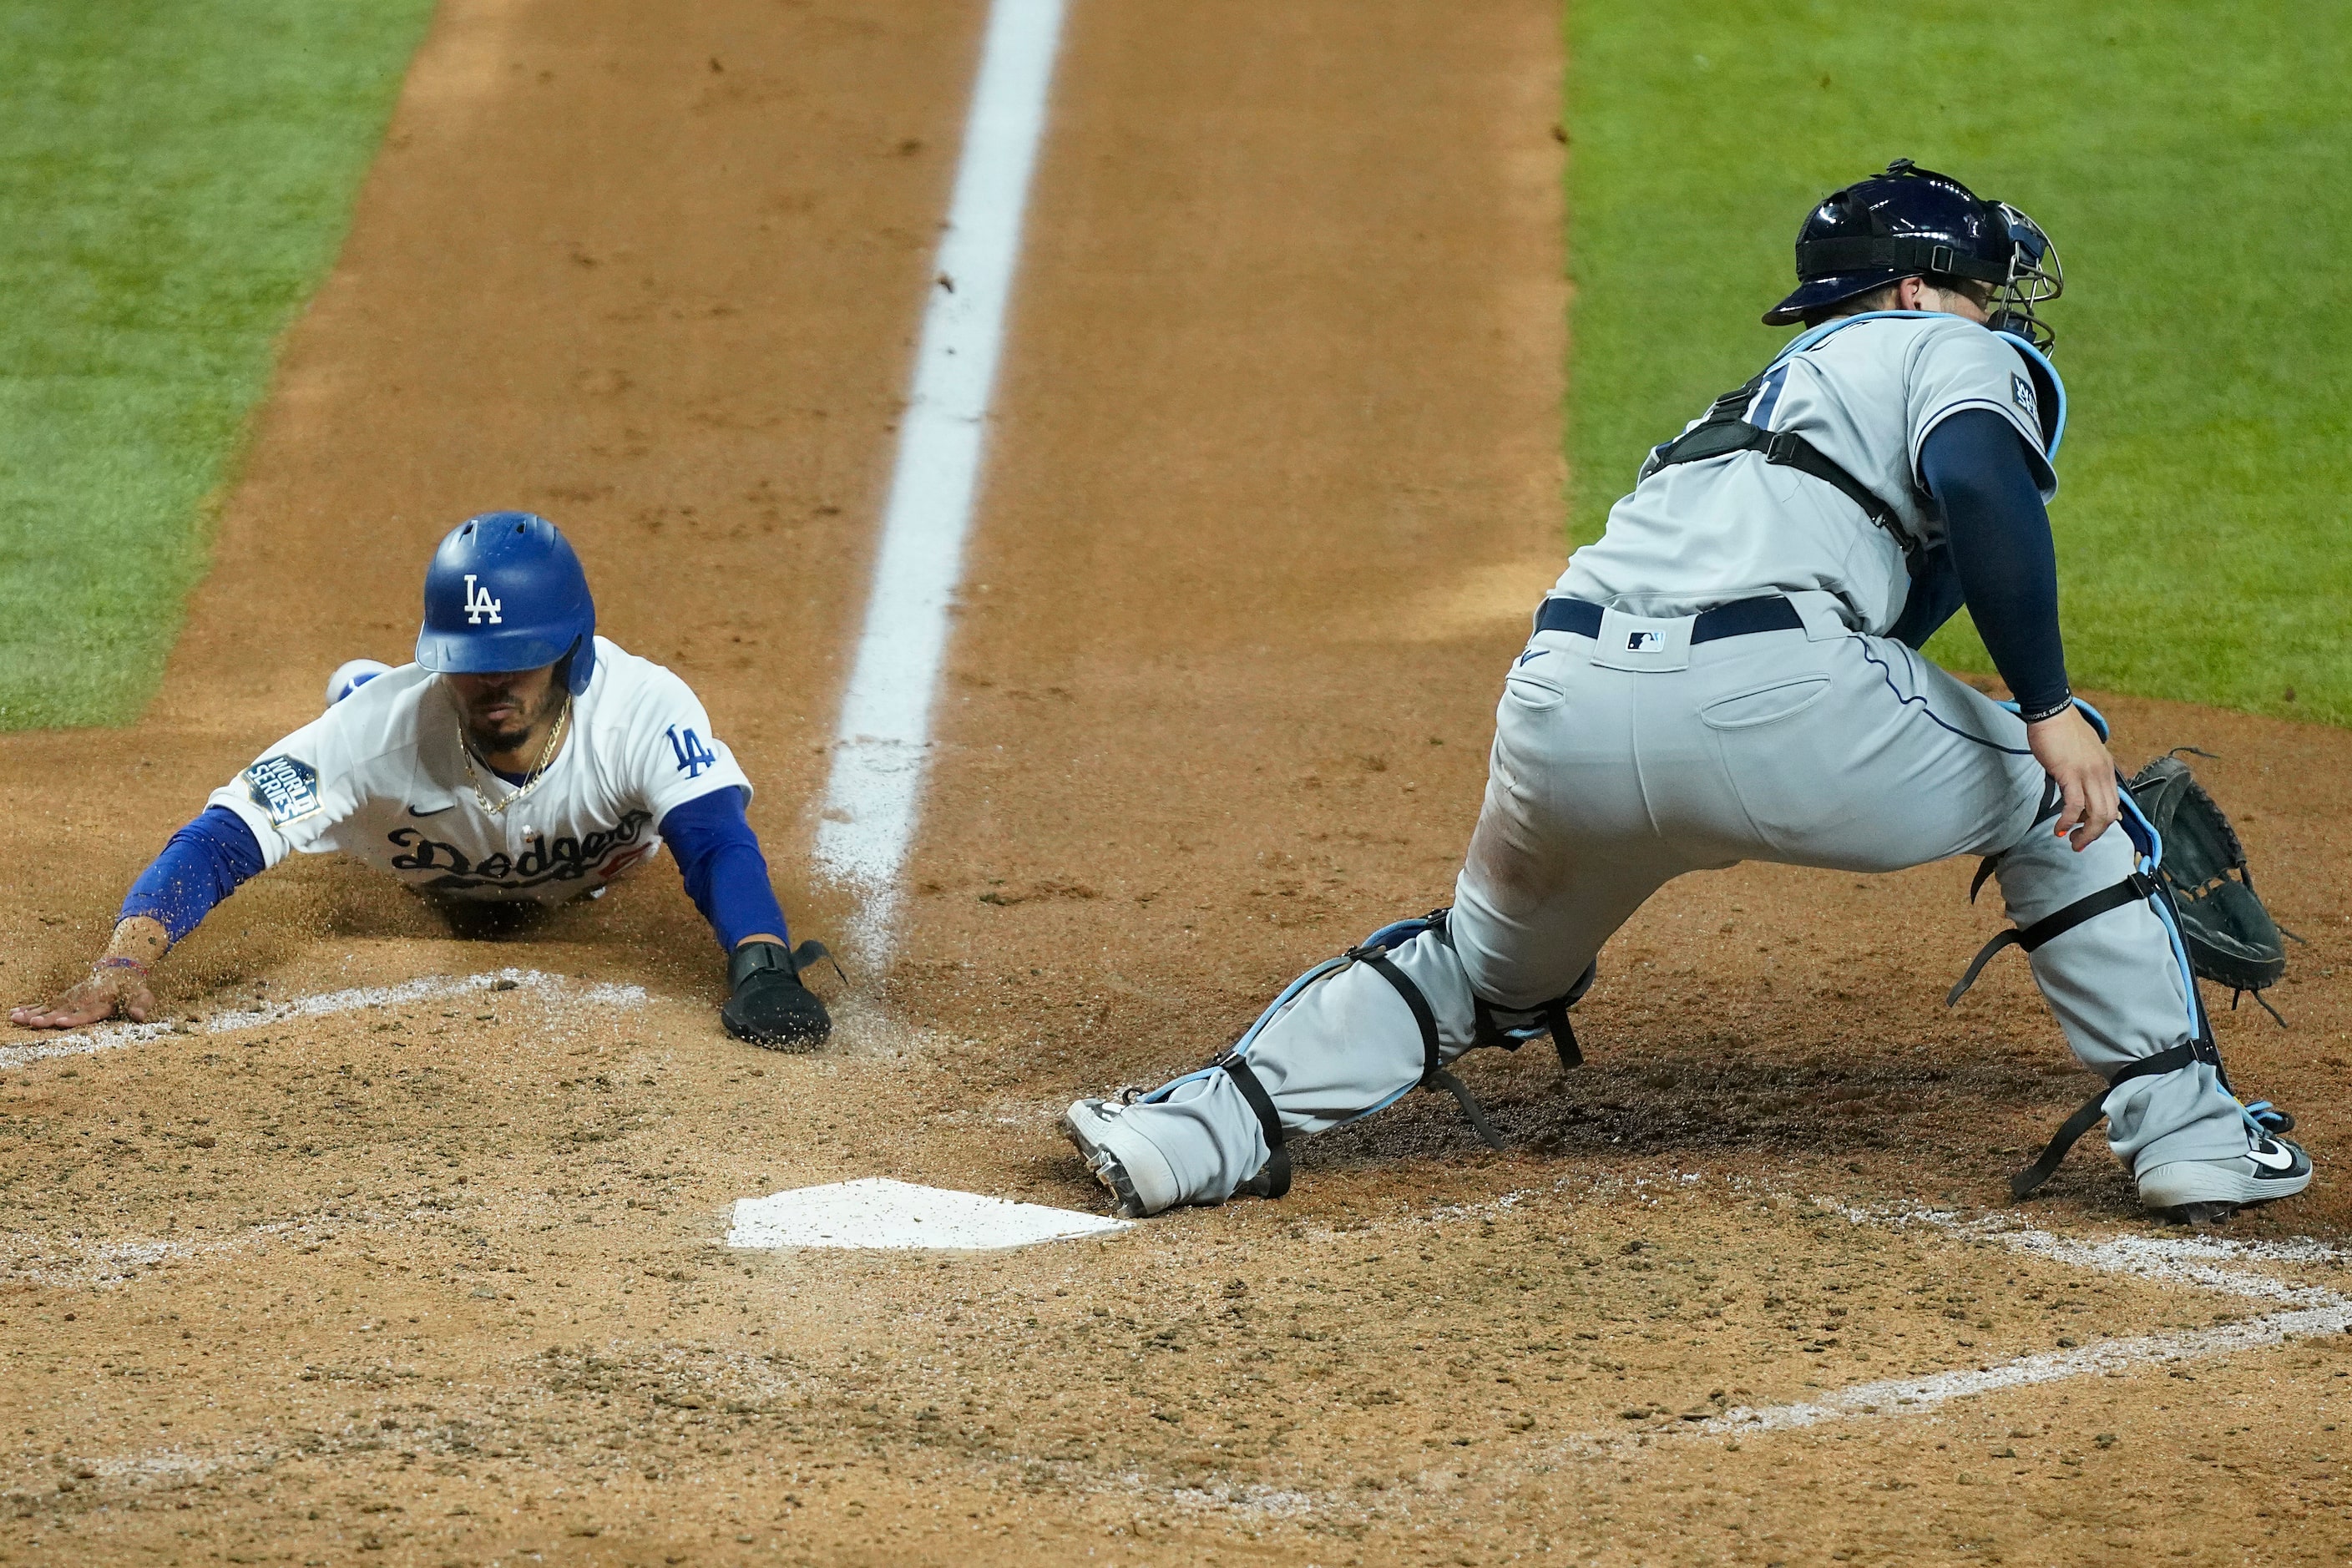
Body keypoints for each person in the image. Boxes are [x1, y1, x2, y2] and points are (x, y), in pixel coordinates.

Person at [1064, 160, 2309, 1224]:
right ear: (1919, 290)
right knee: (2069, 796)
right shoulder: (1939, 349)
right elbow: (1982, 486)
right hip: (1775, 700)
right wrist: (2046, 705)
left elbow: (1898, 599)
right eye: (1981, 292)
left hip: (1563, 708)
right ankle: (2190, 1133)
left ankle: (1197, 1133)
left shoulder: (1739, 423)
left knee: (1478, 967)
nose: (1995, 317)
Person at [10, 511, 832, 1050]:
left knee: (584, 878)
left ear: (571, 649)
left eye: (517, 660)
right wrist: (125, 962)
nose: (494, 686)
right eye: (470, 666)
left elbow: (717, 840)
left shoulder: (642, 711)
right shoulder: (376, 741)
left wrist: (762, 965)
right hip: (434, 873)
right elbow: (222, 837)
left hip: (587, 879)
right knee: (364, 725)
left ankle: (365, 682)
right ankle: (361, 685)